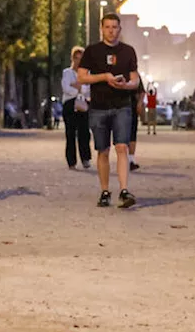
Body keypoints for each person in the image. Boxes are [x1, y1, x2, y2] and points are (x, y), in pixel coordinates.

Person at [77, 13, 140, 209]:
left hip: (122, 105)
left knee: (122, 147)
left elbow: (135, 79)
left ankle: (123, 190)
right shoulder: (92, 51)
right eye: (108, 27)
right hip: (99, 107)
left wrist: (126, 86)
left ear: (120, 30)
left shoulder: (128, 51)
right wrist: (105, 77)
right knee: (103, 151)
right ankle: (105, 190)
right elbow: (82, 77)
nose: (111, 31)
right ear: (102, 29)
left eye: (115, 27)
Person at [60, 46, 92, 170]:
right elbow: (66, 88)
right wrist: (78, 89)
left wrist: (78, 87)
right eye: (76, 58)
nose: (78, 61)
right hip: (69, 104)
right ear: (72, 58)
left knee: (84, 132)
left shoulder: (87, 74)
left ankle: (85, 158)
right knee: (70, 133)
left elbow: (88, 89)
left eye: (81, 58)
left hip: (83, 104)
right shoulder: (67, 73)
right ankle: (71, 161)